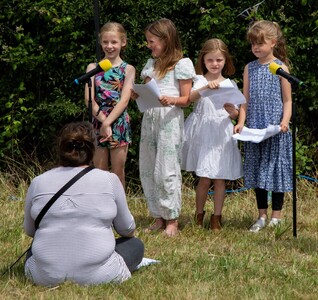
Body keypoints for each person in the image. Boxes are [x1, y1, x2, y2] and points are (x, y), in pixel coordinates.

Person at [23, 121, 144, 286]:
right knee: (135, 245)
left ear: (61, 149)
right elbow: (127, 229)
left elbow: (30, 230)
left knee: (33, 250)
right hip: (101, 274)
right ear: (92, 150)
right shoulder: (109, 180)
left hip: (45, 276)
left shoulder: (38, 182)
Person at [134, 18, 195, 237]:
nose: (149, 45)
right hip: (150, 117)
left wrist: (172, 99)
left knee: (166, 168)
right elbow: (146, 89)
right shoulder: (151, 64)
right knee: (149, 167)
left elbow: (187, 99)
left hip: (169, 118)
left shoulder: (182, 64)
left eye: (152, 41)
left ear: (166, 39)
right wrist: (136, 93)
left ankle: (172, 219)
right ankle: (158, 216)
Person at [234, 20, 293, 232]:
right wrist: (241, 122)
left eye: (260, 43)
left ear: (273, 43)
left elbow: (287, 100)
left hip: (276, 128)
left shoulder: (280, 67)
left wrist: (284, 121)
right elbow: (244, 99)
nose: (256, 48)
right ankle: (261, 216)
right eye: (253, 44)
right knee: (258, 170)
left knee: (276, 170)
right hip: (256, 128)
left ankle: (276, 216)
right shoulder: (249, 68)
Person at [182, 39, 243, 231]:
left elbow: (237, 112)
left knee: (219, 177)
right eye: (210, 60)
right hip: (202, 131)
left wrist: (233, 112)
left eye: (219, 60)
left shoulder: (230, 83)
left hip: (220, 131)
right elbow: (189, 98)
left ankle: (217, 217)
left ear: (226, 61)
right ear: (203, 60)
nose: (215, 64)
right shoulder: (199, 80)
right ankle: (199, 215)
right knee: (204, 177)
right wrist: (206, 87)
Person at [84, 22, 135, 188]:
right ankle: (102, 210)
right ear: (100, 43)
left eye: (114, 42)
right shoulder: (92, 67)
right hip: (98, 121)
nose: (109, 46)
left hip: (118, 122)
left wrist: (108, 123)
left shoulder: (128, 69)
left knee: (118, 172)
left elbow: (125, 100)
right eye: (105, 42)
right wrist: (102, 121)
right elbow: (89, 100)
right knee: (99, 172)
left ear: (123, 42)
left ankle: (120, 211)